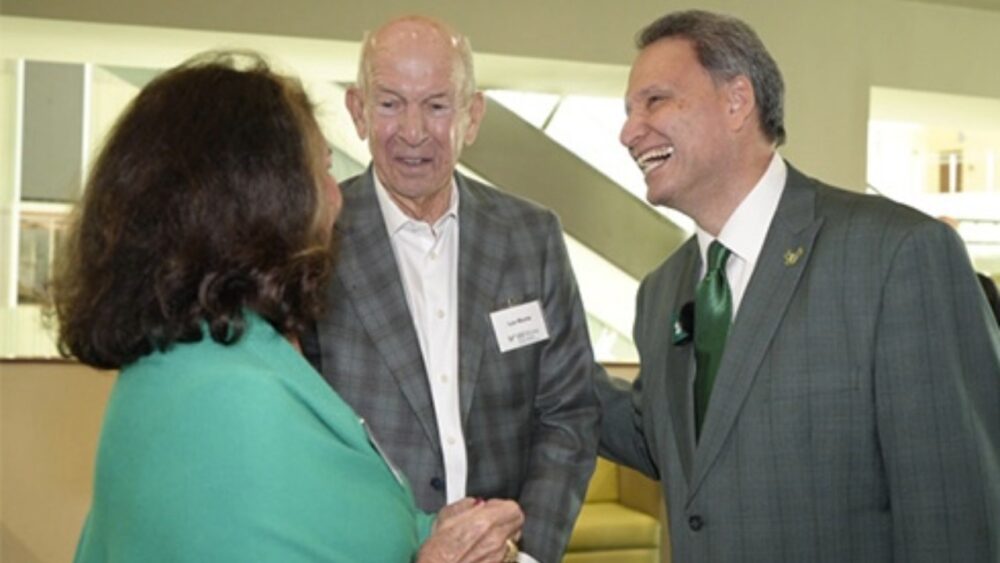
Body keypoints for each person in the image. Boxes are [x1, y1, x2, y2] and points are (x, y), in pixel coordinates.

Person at [54, 51, 524, 563]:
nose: (336, 198)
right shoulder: (229, 401)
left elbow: (334, 513)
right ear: (261, 198)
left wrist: (433, 529)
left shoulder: (211, 356)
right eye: (321, 171)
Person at [597, 10, 1000, 562]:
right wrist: (535, 367)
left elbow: (955, 515)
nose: (627, 131)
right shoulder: (662, 291)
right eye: (627, 111)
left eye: (654, 101)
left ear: (737, 101)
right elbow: (665, 441)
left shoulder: (896, 255)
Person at [300, 16, 599, 563]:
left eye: (437, 106)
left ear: (472, 115)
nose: (413, 132)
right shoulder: (311, 242)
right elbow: (300, 437)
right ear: (358, 111)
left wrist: (525, 551)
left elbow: (568, 411)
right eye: (390, 104)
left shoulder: (532, 237)